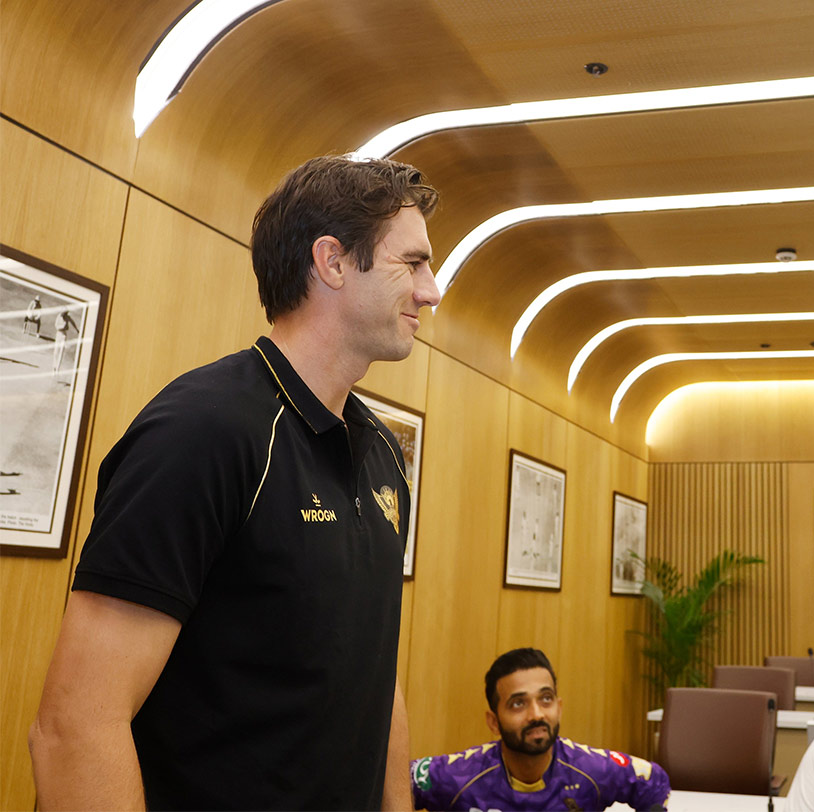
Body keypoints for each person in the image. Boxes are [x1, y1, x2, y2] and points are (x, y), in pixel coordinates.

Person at [29, 154, 441, 810]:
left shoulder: (386, 459)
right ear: (331, 262)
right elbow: (76, 725)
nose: (431, 291)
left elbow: (375, 680)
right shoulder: (202, 431)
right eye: (413, 263)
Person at [411, 648, 671, 811]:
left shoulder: (591, 769)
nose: (536, 714)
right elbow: (401, 779)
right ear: (493, 721)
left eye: (545, 699)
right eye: (518, 704)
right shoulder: (460, 775)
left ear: (558, 707)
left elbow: (652, 779)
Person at [51, 308, 77, 375]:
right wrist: (63, 326)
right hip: (58, 334)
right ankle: (54, 367)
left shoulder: (67, 317)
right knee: (55, 352)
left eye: (65, 313)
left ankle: (57, 369)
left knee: (61, 352)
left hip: (64, 335)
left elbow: (72, 322)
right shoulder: (59, 316)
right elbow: (56, 326)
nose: (64, 314)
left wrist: (77, 329)